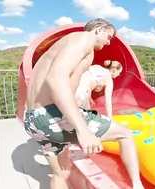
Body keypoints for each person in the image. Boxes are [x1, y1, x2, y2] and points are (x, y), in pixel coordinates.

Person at [23, 18, 144, 189]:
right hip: (51, 117)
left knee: (61, 174)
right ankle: (138, 185)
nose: (108, 42)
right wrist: (83, 130)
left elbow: (66, 86)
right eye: (108, 36)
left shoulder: (60, 46)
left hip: (32, 120)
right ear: (98, 31)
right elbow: (55, 79)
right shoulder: (82, 40)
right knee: (124, 134)